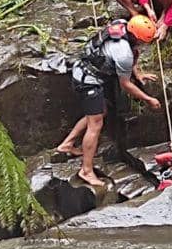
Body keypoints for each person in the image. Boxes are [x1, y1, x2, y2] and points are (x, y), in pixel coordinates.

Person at [56, 16, 162, 187]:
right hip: (88, 81)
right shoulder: (123, 53)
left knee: (100, 112)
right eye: (144, 41)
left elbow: (131, 52)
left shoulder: (121, 24)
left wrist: (138, 74)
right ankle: (86, 171)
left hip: (82, 69)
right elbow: (125, 84)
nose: (144, 44)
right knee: (95, 125)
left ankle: (67, 144)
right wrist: (148, 99)